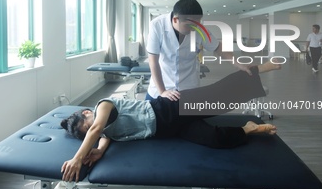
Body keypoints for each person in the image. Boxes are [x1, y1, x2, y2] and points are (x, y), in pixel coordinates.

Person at [60, 61, 280, 182]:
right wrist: (98, 150)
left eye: (87, 126)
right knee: (214, 139)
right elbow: (104, 134)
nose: (93, 131)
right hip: (169, 129)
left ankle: (254, 70)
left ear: (87, 112)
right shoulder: (103, 133)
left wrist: (77, 158)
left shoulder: (103, 105)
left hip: (170, 109)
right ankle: (248, 129)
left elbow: (97, 128)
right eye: (91, 133)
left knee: (219, 97)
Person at [146, 0, 251, 101]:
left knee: (190, 118)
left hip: (188, 86)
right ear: (175, 20)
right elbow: (153, 61)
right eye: (189, 25)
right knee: (152, 117)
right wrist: (162, 91)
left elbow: (217, 46)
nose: (194, 29)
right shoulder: (157, 25)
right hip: (160, 87)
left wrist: (237, 63)